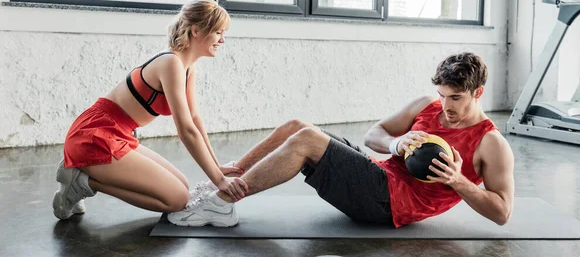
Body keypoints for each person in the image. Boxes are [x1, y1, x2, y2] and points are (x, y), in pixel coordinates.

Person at [168, 52, 515, 228]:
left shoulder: (491, 144)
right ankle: (225, 181)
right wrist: (397, 143)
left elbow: (501, 213)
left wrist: (457, 181)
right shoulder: (427, 106)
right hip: (381, 176)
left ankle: (224, 204)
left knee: (306, 140)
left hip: (392, 205)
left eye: (456, 98)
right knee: (296, 125)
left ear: (478, 92)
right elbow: (373, 135)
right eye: (443, 95)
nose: (446, 106)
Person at [52, 0, 249, 220]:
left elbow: (194, 119)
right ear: (196, 30)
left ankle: (80, 176)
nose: (222, 40)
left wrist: (216, 166)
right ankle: (82, 182)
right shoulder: (171, 63)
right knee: (177, 199)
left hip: (119, 135)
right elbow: (186, 130)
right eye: (219, 32)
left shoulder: (188, 67)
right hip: (93, 136)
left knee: (182, 185)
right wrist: (218, 180)